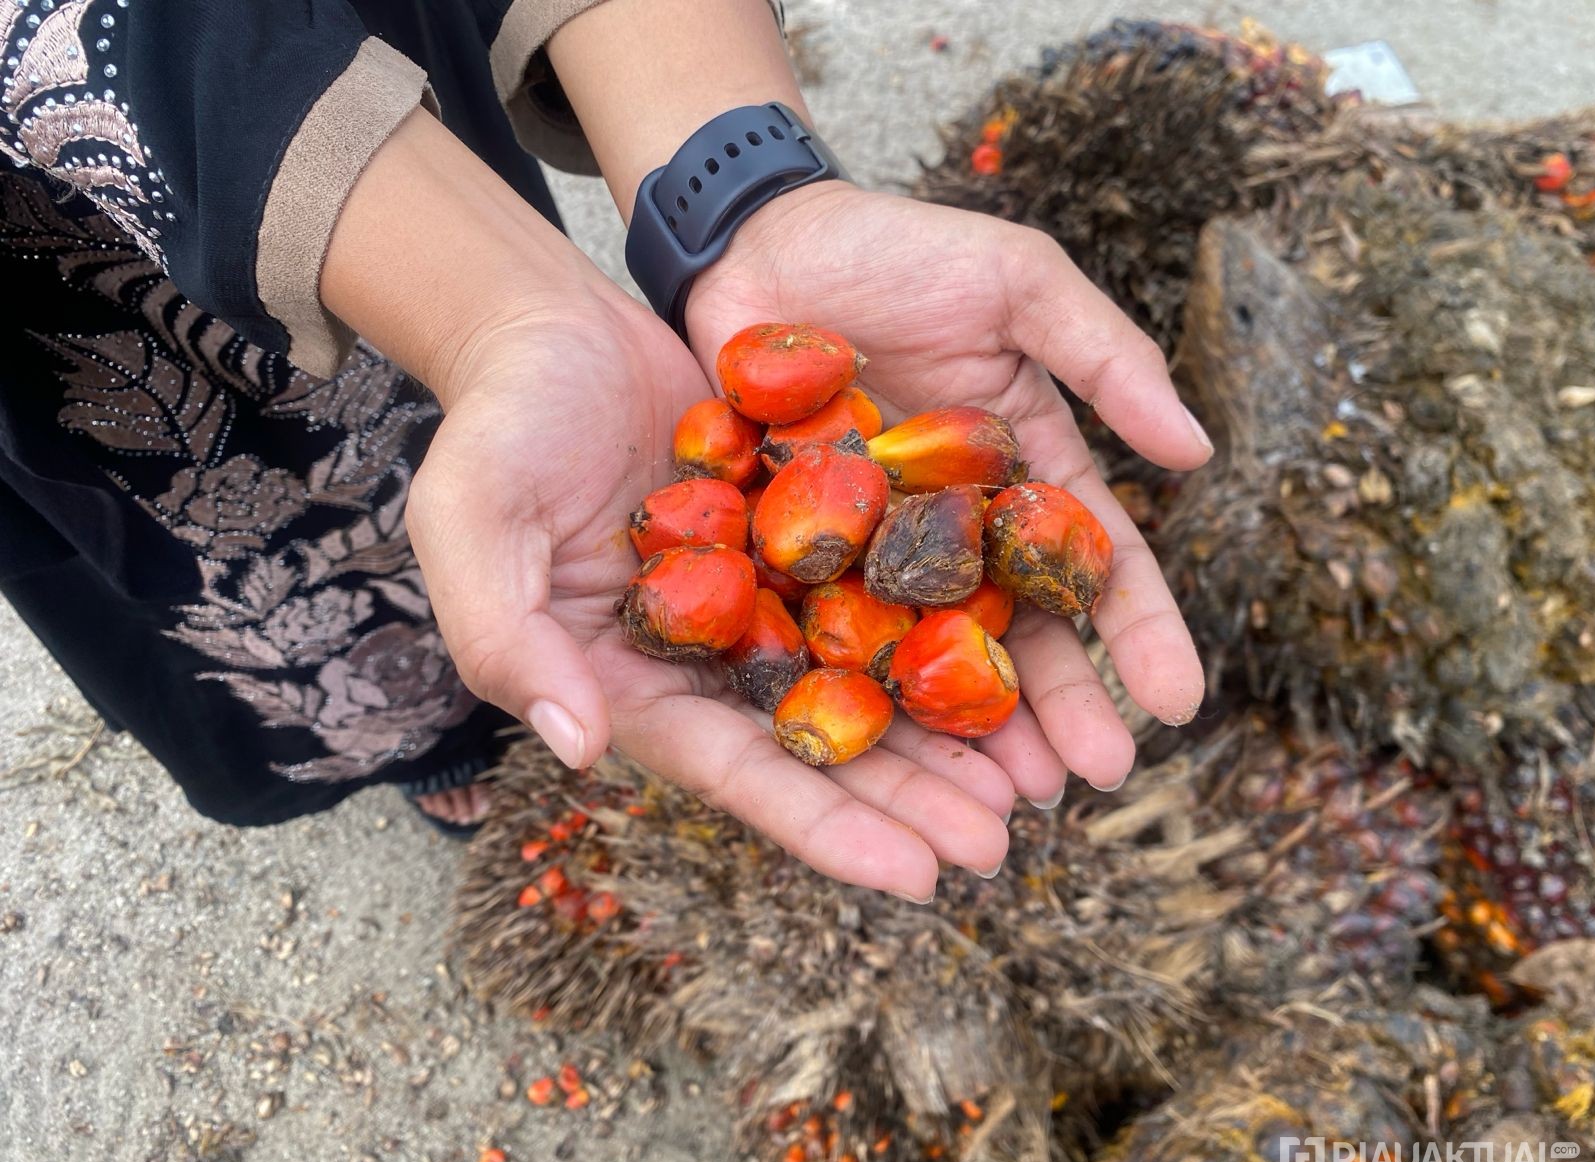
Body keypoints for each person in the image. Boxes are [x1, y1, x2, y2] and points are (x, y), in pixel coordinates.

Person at [0, 0, 1209, 901]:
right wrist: (502, 316)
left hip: (429, 212)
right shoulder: (795, 509)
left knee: (513, 547)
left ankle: (467, 723)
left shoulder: (802, 505)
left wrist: (742, 197)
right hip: (72, 293)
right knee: (257, 602)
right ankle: (428, 747)